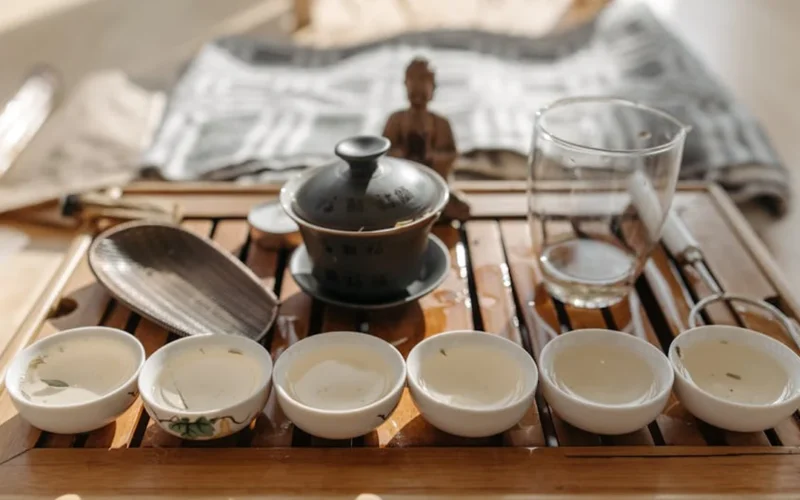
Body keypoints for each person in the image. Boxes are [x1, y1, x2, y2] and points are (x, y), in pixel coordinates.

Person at [382, 57, 470, 220]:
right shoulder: (396, 120)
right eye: (413, 85)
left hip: (434, 186)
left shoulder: (441, 123)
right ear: (405, 85)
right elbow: (382, 156)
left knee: (460, 207)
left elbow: (452, 155)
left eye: (424, 86)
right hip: (401, 188)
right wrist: (400, 155)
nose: (417, 94)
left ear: (433, 88)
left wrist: (432, 156)